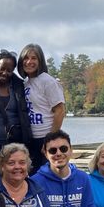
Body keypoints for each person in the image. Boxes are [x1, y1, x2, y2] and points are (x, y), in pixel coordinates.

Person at [17, 44, 65, 172]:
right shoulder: (26, 83)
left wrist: (50, 140)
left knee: (48, 175)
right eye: (26, 58)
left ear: (40, 61)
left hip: (45, 136)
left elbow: (60, 111)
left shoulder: (47, 81)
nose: (29, 62)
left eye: (34, 58)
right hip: (31, 138)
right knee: (33, 176)